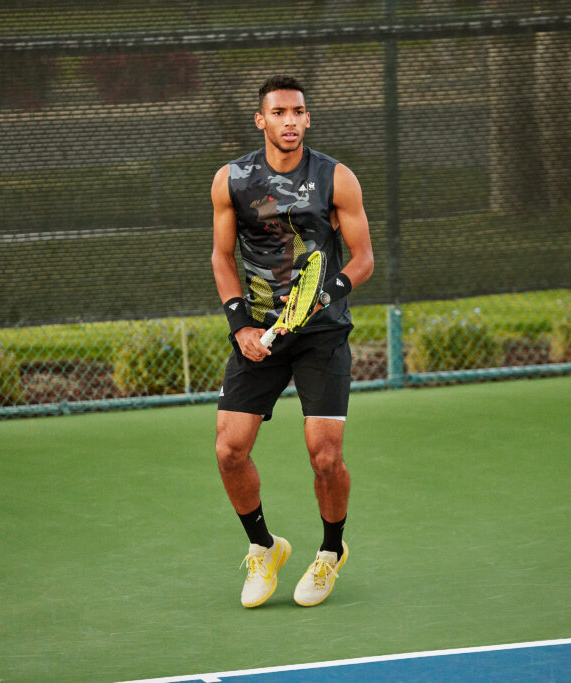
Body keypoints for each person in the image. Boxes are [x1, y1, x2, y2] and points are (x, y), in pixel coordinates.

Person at [210, 74, 374, 608]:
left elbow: (363, 258)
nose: (290, 121)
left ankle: (329, 554)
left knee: (325, 457)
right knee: (230, 450)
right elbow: (221, 256)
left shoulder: (336, 178)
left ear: (308, 118)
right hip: (260, 332)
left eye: (298, 112)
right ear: (261, 120)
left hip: (320, 333)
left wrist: (329, 293)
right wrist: (241, 327)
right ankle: (264, 547)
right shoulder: (231, 180)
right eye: (278, 112)